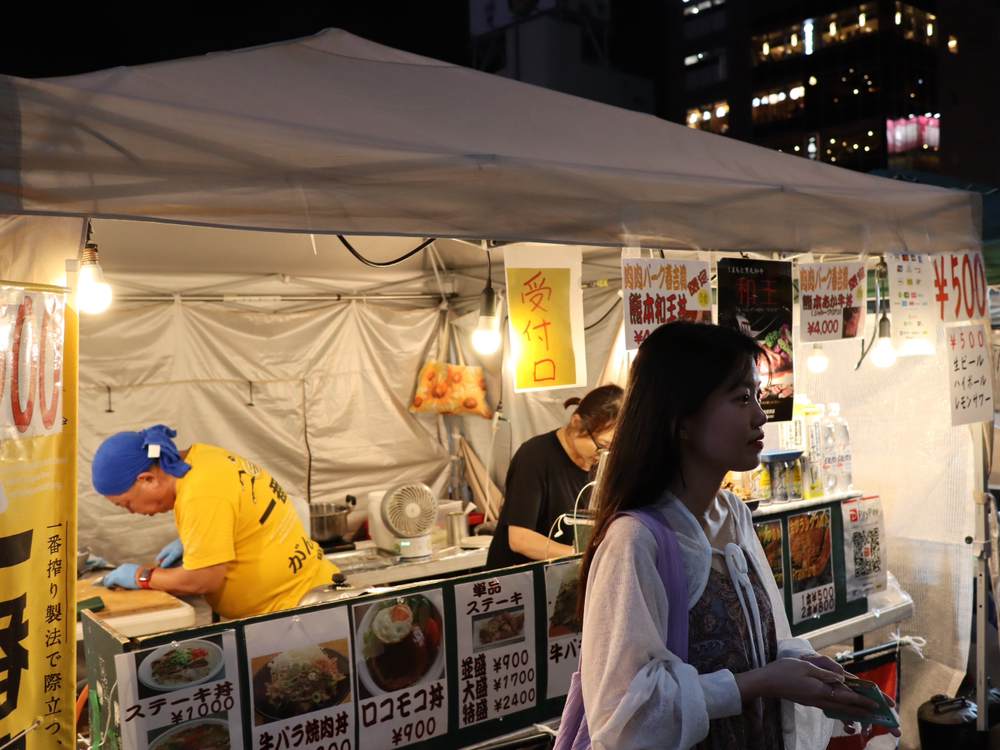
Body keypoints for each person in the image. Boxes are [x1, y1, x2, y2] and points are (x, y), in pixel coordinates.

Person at [578, 321, 900, 750]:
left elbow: (760, 642)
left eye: (758, 396)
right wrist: (762, 681)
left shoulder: (733, 513)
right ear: (681, 420)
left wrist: (805, 667)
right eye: (741, 398)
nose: (760, 415)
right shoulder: (636, 542)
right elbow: (626, 721)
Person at [92, 425, 339, 620]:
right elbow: (241, 507)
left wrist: (141, 576)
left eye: (126, 503)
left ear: (147, 479)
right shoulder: (204, 457)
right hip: (303, 596)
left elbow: (201, 580)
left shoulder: (200, 492)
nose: (132, 512)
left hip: (297, 609)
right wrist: (199, 541)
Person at [486, 384, 623, 569]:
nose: (605, 453)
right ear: (576, 423)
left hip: (567, 573)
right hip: (518, 583)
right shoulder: (534, 457)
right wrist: (585, 554)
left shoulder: (604, 462)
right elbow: (520, 539)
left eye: (613, 447)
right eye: (602, 444)